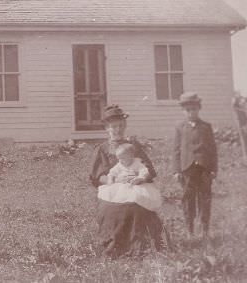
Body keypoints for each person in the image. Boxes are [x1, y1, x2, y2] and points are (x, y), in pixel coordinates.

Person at [89, 105, 166, 257]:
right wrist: (116, 179)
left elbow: (150, 170)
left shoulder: (133, 147)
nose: (117, 130)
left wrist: (139, 177)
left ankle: (140, 247)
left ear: (125, 127)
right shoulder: (102, 149)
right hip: (113, 189)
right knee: (112, 209)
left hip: (136, 185)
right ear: (107, 128)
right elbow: (97, 177)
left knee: (136, 206)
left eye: (121, 126)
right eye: (113, 126)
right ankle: (115, 246)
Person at [173, 92, 218, 238]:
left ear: (199, 109)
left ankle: (205, 228)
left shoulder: (206, 127)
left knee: (205, 197)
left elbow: (212, 149)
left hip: (204, 167)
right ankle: (189, 228)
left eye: (194, 109)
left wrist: (213, 169)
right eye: (188, 110)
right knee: (188, 198)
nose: (191, 112)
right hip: (187, 168)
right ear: (183, 111)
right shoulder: (180, 127)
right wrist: (176, 170)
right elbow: (176, 150)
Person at [97, 143, 162, 212]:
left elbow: (144, 171)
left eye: (123, 158)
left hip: (135, 184)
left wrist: (140, 178)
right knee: (114, 193)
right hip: (122, 183)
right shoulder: (119, 165)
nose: (120, 161)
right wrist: (111, 179)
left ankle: (135, 207)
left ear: (131, 156)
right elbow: (112, 172)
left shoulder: (137, 163)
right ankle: (120, 207)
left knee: (138, 195)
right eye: (119, 159)